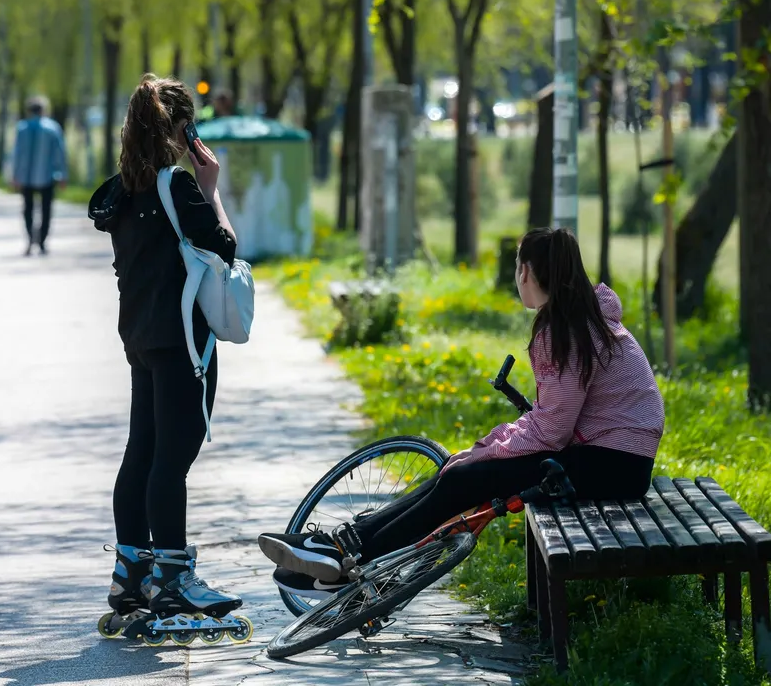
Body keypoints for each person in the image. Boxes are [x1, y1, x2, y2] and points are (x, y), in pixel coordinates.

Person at [258, 227, 666, 600]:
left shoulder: (566, 333)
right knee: (456, 473)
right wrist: (491, 444)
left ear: (527, 272)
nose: (515, 277)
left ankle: (347, 556)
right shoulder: (582, 321)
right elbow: (553, 419)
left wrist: (487, 452)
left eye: (516, 267)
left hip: (612, 465)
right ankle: (343, 546)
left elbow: (553, 431)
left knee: (465, 478)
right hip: (612, 459)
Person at [87, 75, 242, 627]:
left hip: (139, 339)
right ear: (182, 130)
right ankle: (173, 579)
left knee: (143, 453)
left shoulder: (119, 192)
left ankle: (132, 572)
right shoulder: (175, 188)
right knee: (172, 459)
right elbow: (224, 248)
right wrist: (212, 189)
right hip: (181, 341)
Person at [11, 96, 66, 256]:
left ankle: (30, 239)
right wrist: (62, 174)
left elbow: (16, 154)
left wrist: (14, 175)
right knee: (46, 209)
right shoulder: (53, 128)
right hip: (47, 175)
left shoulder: (22, 128)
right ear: (44, 110)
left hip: (26, 176)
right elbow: (59, 153)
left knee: (27, 209)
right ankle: (42, 241)